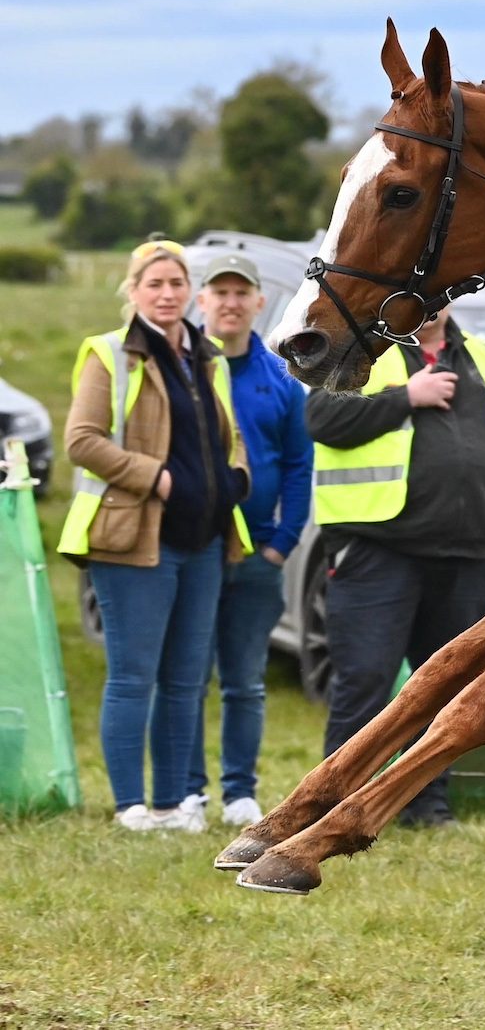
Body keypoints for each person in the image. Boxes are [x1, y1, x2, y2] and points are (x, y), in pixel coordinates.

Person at [306, 311, 485, 826]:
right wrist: (405, 397)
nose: (431, 306)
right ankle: (333, 810)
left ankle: (426, 806)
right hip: (377, 551)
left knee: (444, 692)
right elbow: (322, 422)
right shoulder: (362, 354)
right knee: (364, 684)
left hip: (470, 556)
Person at [59, 237, 251, 831]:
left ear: (189, 292)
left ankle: (173, 805)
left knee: (186, 679)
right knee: (133, 676)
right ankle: (130, 807)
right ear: (133, 292)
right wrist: (157, 479)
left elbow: (228, 432)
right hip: (133, 540)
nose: (166, 295)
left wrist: (237, 474)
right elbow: (82, 440)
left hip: (204, 541)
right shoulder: (110, 353)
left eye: (175, 284)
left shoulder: (206, 355)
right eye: (154, 285)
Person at [182, 253, 312, 828]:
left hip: (259, 551)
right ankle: (187, 791)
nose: (230, 303)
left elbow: (298, 466)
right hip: (195, 549)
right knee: (187, 677)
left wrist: (282, 542)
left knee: (244, 682)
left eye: (242, 294)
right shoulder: (181, 370)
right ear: (201, 301)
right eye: (219, 293)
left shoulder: (279, 378)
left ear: (259, 304)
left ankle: (239, 792)